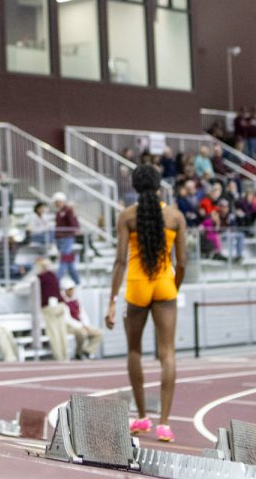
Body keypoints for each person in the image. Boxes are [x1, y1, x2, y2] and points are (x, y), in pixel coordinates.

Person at [105, 164, 187, 443]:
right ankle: (164, 424)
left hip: (137, 287)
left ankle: (141, 417)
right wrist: (173, 289)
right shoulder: (175, 216)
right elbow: (183, 262)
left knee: (134, 351)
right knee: (168, 354)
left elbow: (119, 261)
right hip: (165, 285)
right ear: (159, 185)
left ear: (135, 188)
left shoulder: (127, 216)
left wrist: (112, 301)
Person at [31, 256, 69, 361]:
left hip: (50, 308)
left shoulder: (39, 278)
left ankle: (59, 358)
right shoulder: (53, 275)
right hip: (60, 305)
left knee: (54, 333)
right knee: (62, 332)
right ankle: (66, 357)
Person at [60, 277, 102, 359]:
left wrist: (86, 325)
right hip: (70, 327)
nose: (72, 291)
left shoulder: (76, 301)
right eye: (70, 290)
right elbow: (67, 319)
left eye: (72, 289)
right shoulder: (62, 303)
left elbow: (82, 314)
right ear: (65, 291)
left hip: (81, 325)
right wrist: (81, 326)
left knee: (98, 333)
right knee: (82, 334)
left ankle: (88, 351)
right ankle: (78, 353)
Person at [53, 192, 81, 286]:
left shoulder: (68, 211)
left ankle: (57, 280)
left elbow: (73, 223)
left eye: (59, 201)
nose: (58, 204)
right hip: (60, 238)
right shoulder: (58, 212)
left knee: (63, 258)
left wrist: (74, 230)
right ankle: (77, 280)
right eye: (56, 202)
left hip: (67, 238)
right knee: (68, 261)